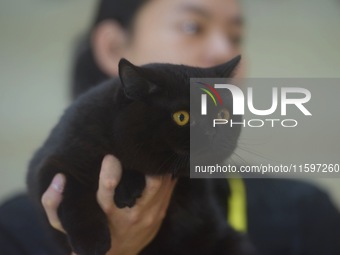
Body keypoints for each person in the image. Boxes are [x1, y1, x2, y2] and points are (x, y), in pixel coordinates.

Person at [1, 0, 340, 254]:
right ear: (114, 46)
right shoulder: (16, 229)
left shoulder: (303, 214)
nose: (225, 49)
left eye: (236, 36)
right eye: (193, 27)